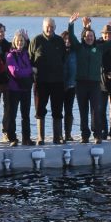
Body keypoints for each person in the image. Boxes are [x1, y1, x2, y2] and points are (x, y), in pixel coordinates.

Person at [68, 13, 111, 144]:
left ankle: (97, 135)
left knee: (96, 110)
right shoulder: (79, 48)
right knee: (83, 111)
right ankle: (84, 135)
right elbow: (71, 38)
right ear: (84, 38)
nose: (89, 38)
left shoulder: (99, 48)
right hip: (81, 84)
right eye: (87, 36)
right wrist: (71, 24)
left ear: (94, 38)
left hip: (95, 84)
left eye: (91, 36)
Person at [29, 17, 67, 145]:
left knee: (57, 109)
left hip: (57, 81)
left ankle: (57, 137)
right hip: (41, 82)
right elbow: (29, 59)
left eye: (52, 26)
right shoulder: (36, 40)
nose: (49, 29)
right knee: (40, 109)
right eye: (47, 26)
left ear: (55, 27)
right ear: (43, 27)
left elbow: (64, 58)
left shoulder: (59, 41)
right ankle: (40, 137)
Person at [5, 29, 34, 146]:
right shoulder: (10, 56)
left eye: (22, 41)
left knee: (25, 115)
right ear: (14, 42)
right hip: (14, 89)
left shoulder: (27, 54)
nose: (20, 43)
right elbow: (15, 72)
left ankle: (26, 138)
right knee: (12, 114)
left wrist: (28, 39)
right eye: (18, 41)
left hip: (26, 89)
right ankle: (12, 138)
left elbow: (34, 53)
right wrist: (30, 70)